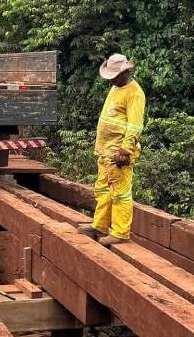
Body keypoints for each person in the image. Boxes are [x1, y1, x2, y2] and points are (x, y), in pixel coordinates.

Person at [79, 53, 146, 247]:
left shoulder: (135, 92)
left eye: (115, 76)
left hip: (119, 153)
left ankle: (120, 232)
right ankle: (100, 226)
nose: (112, 80)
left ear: (125, 72)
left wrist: (125, 151)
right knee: (102, 189)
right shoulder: (116, 87)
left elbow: (135, 126)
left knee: (120, 193)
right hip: (105, 151)